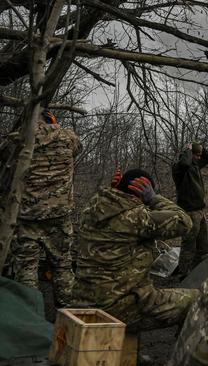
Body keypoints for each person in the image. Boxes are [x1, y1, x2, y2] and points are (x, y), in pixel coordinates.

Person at [71, 169, 198, 332]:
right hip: (115, 308)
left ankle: (127, 354)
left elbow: (113, 203)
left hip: (82, 300)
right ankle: (187, 353)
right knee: (197, 299)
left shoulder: (90, 211)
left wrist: (115, 191)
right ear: (141, 193)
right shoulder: (138, 218)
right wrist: (153, 198)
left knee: (141, 290)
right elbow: (184, 222)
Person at [11, 109, 81, 307]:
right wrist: (55, 127)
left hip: (26, 216)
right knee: (63, 265)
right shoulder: (68, 137)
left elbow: (5, 161)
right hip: (58, 214)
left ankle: (30, 318)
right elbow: (77, 149)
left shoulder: (18, 140)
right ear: (50, 118)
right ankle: (68, 318)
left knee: (26, 270)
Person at [172, 142, 208, 276]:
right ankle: (183, 273)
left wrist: (199, 145)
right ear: (190, 155)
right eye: (196, 155)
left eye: (199, 155)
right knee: (189, 243)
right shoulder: (180, 168)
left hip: (200, 210)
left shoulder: (195, 165)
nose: (199, 158)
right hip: (189, 210)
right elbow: (184, 163)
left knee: (202, 243)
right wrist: (188, 150)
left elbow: (207, 158)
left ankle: (198, 270)